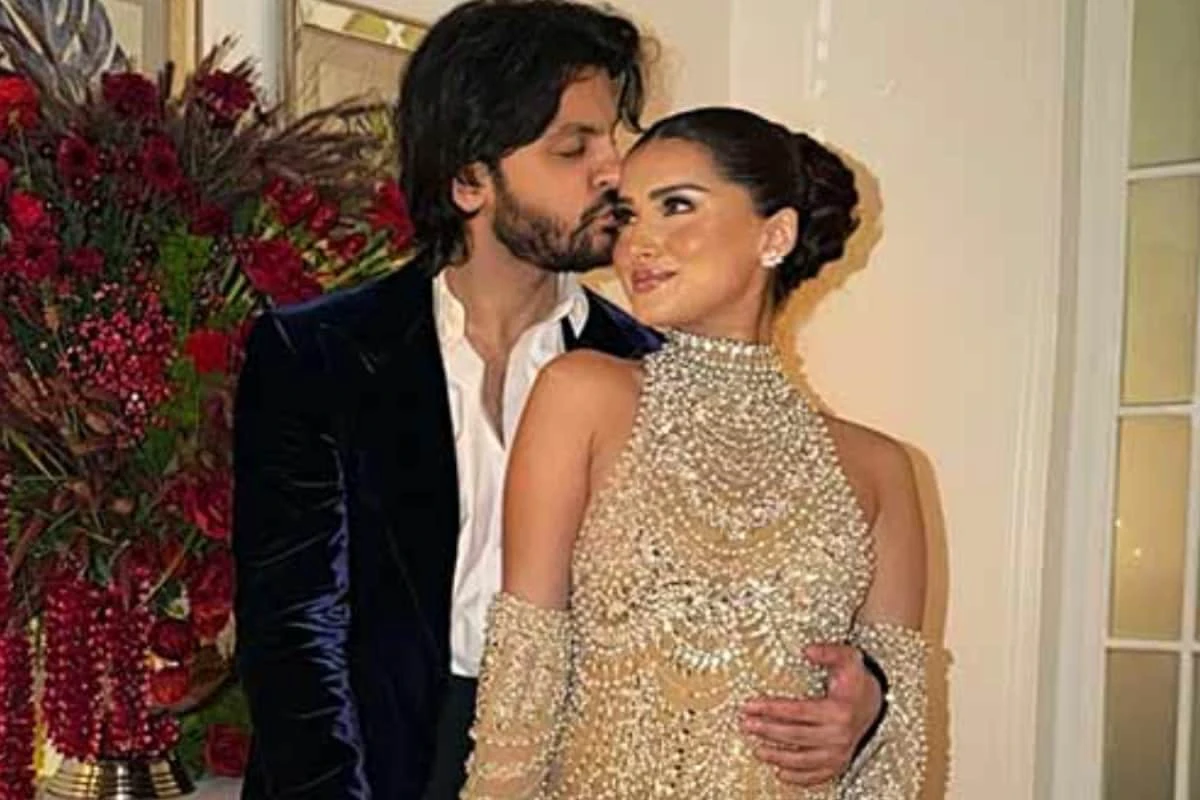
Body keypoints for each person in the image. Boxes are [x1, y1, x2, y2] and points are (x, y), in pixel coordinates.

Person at [232, 3, 888, 798]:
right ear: (470, 180)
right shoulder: (317, 352)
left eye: (615, 136)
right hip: (364, 766)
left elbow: (761, 581)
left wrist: (868, 694)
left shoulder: (655, 368)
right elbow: (293, 635)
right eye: (574, 147)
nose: (614, 171)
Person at [461, 105, 929, 799]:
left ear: (775, 234)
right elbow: (523, 674)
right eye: (627, 217)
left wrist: (870, 712)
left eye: (676, 206)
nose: (637, 244)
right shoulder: (582, 396)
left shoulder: (880, 471)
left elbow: (896, 760)